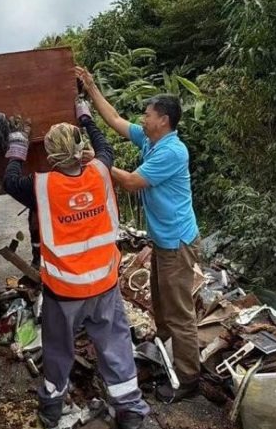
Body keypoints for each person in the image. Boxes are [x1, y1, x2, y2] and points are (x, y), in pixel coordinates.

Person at [2, 100, 149, 429]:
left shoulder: (41, 187)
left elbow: (8, 180)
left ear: (50, 155)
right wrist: (84, 115)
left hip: (65, 292)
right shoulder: (99, 171)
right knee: (115, 347)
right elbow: (106, 147)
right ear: (81, 150)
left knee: (58, 350)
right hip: (104, 286)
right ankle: (130, 412)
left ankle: (52, 408)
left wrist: (19, 140)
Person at [75, 66, 201, 402]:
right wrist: (90, 86)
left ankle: (189, 379)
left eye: (147, 115)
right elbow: (114, 119)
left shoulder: (173, 151)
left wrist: (97, 161)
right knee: (161, 305)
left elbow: (130, 182)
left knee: (178, 311)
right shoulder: (150, 139)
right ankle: (167, 355)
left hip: (176, 242)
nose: (142, 119)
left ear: (163, 119)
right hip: (163, 241)